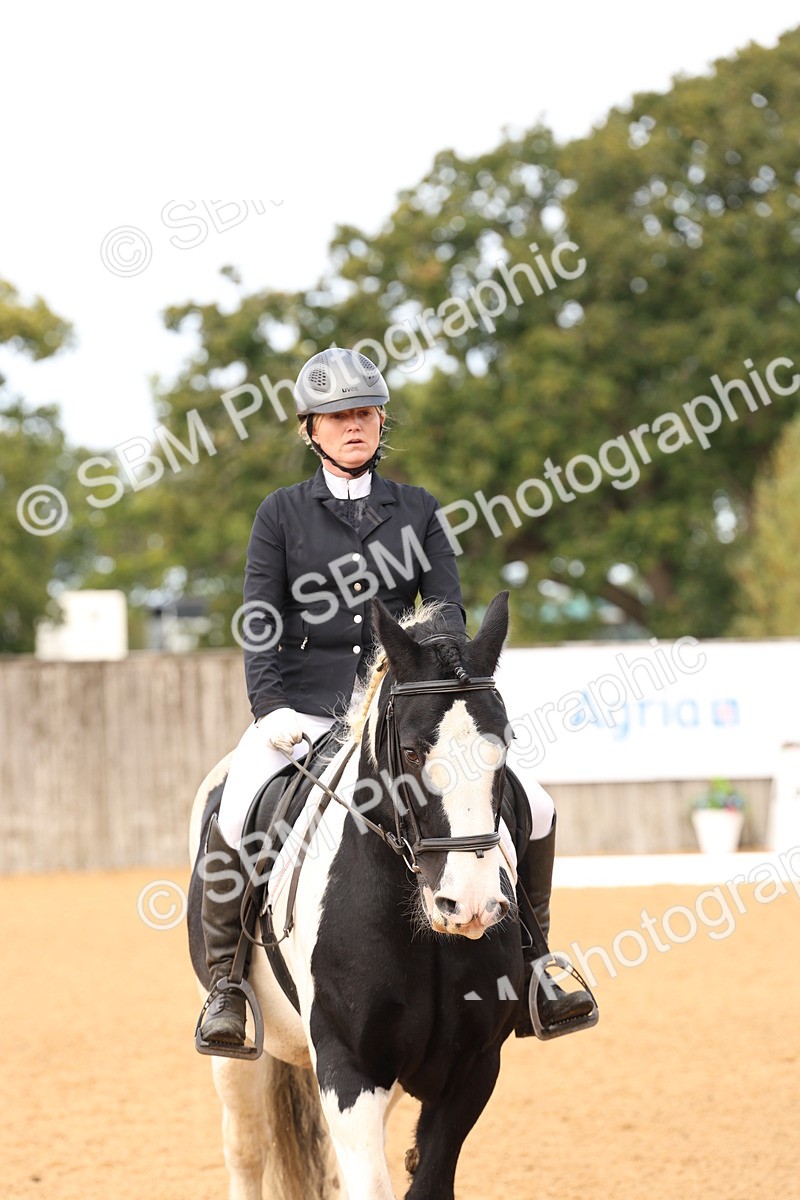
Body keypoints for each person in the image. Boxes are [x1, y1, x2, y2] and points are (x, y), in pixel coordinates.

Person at [197, 346, 594, 1052]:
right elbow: (261, 622)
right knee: (236, 805)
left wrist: (430, 688)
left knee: (534, 804)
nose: (353, 425)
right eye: (337, 416)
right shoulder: (280, 514)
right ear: (310, 429)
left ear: (382, 423)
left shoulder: (418, 510)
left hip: (400, 713)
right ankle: (228, 985)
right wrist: (271, 708)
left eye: (365, 413)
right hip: (305, 712)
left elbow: (446, 613)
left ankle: (536, 965)